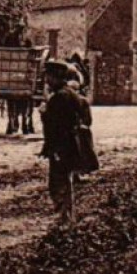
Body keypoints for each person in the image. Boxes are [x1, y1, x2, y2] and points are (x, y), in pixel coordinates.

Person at [40, 58, 92, 224]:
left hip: (60, 145)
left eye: (49, 77)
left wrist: (44, 113)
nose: (47, 80)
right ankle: (67, 214)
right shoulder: (71, 94)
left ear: (55, 77)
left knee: (58, 181)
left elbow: (53, 126)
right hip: (70, 143)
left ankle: (64, 216)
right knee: (66, 179)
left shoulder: (58, 98)